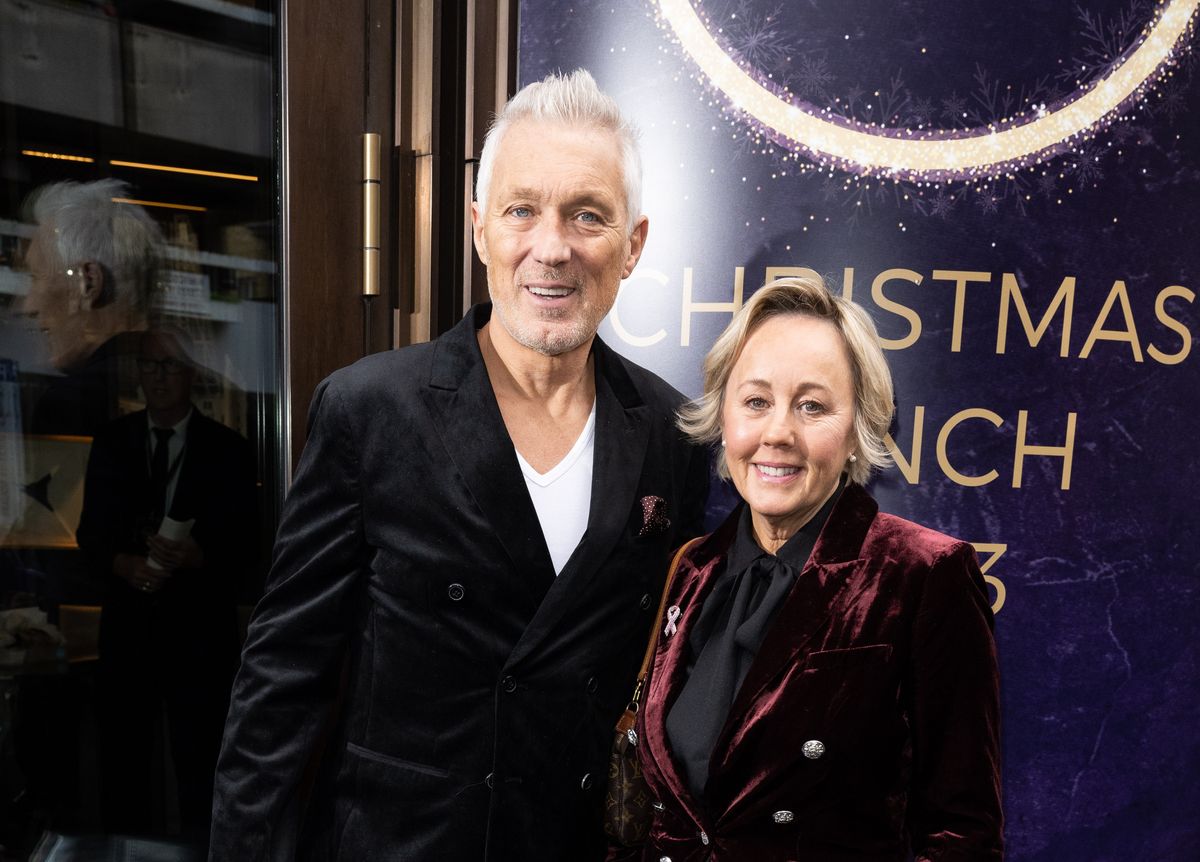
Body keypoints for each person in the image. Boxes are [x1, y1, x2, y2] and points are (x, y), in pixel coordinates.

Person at [209, 69, 709, 861]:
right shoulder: (371, 410)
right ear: (479, 229)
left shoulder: (674, 435)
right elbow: (283, 679)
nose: (553, 248)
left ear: (633, 245)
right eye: (522, 211)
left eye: (588, 216)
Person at [631, 277, 1002, 860]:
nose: (777, 432)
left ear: (858, 428)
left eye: (812, 406)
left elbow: (961, 834)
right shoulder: (691, 569)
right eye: (755, 401)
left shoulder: (925, 576)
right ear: (723, 416)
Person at [76, 328, 258, 842]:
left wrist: (201, 556)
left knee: (202, 765)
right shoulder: (113, 442)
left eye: (169, 366)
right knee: (122, 765)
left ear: (191, 373)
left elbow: (250, 548)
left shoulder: (229, 451)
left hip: (198, 636)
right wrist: (120, 564)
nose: (157, 377)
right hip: (127, 632)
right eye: (149, 366)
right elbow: (89, 533)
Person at [21, 179, 162, 436]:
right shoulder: (192, 388)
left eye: (36, 278)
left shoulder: (71, 405)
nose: (29, 305)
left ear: (88, 282)